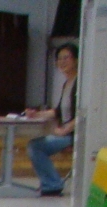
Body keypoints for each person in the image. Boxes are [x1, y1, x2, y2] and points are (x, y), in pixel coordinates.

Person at [26, 42, 79, 196]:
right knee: (35, 144)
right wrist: (36, 114)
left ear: (76, 60)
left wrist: (66, 129)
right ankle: (50, 183)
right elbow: (57, 111)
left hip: (73, 135)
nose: (62, 62)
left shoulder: (80, 83)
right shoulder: (66, 84)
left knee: (36, 147)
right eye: (59, 59)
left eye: (66, 58)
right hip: (65, 133)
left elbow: (83, 114)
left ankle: (53, 184)